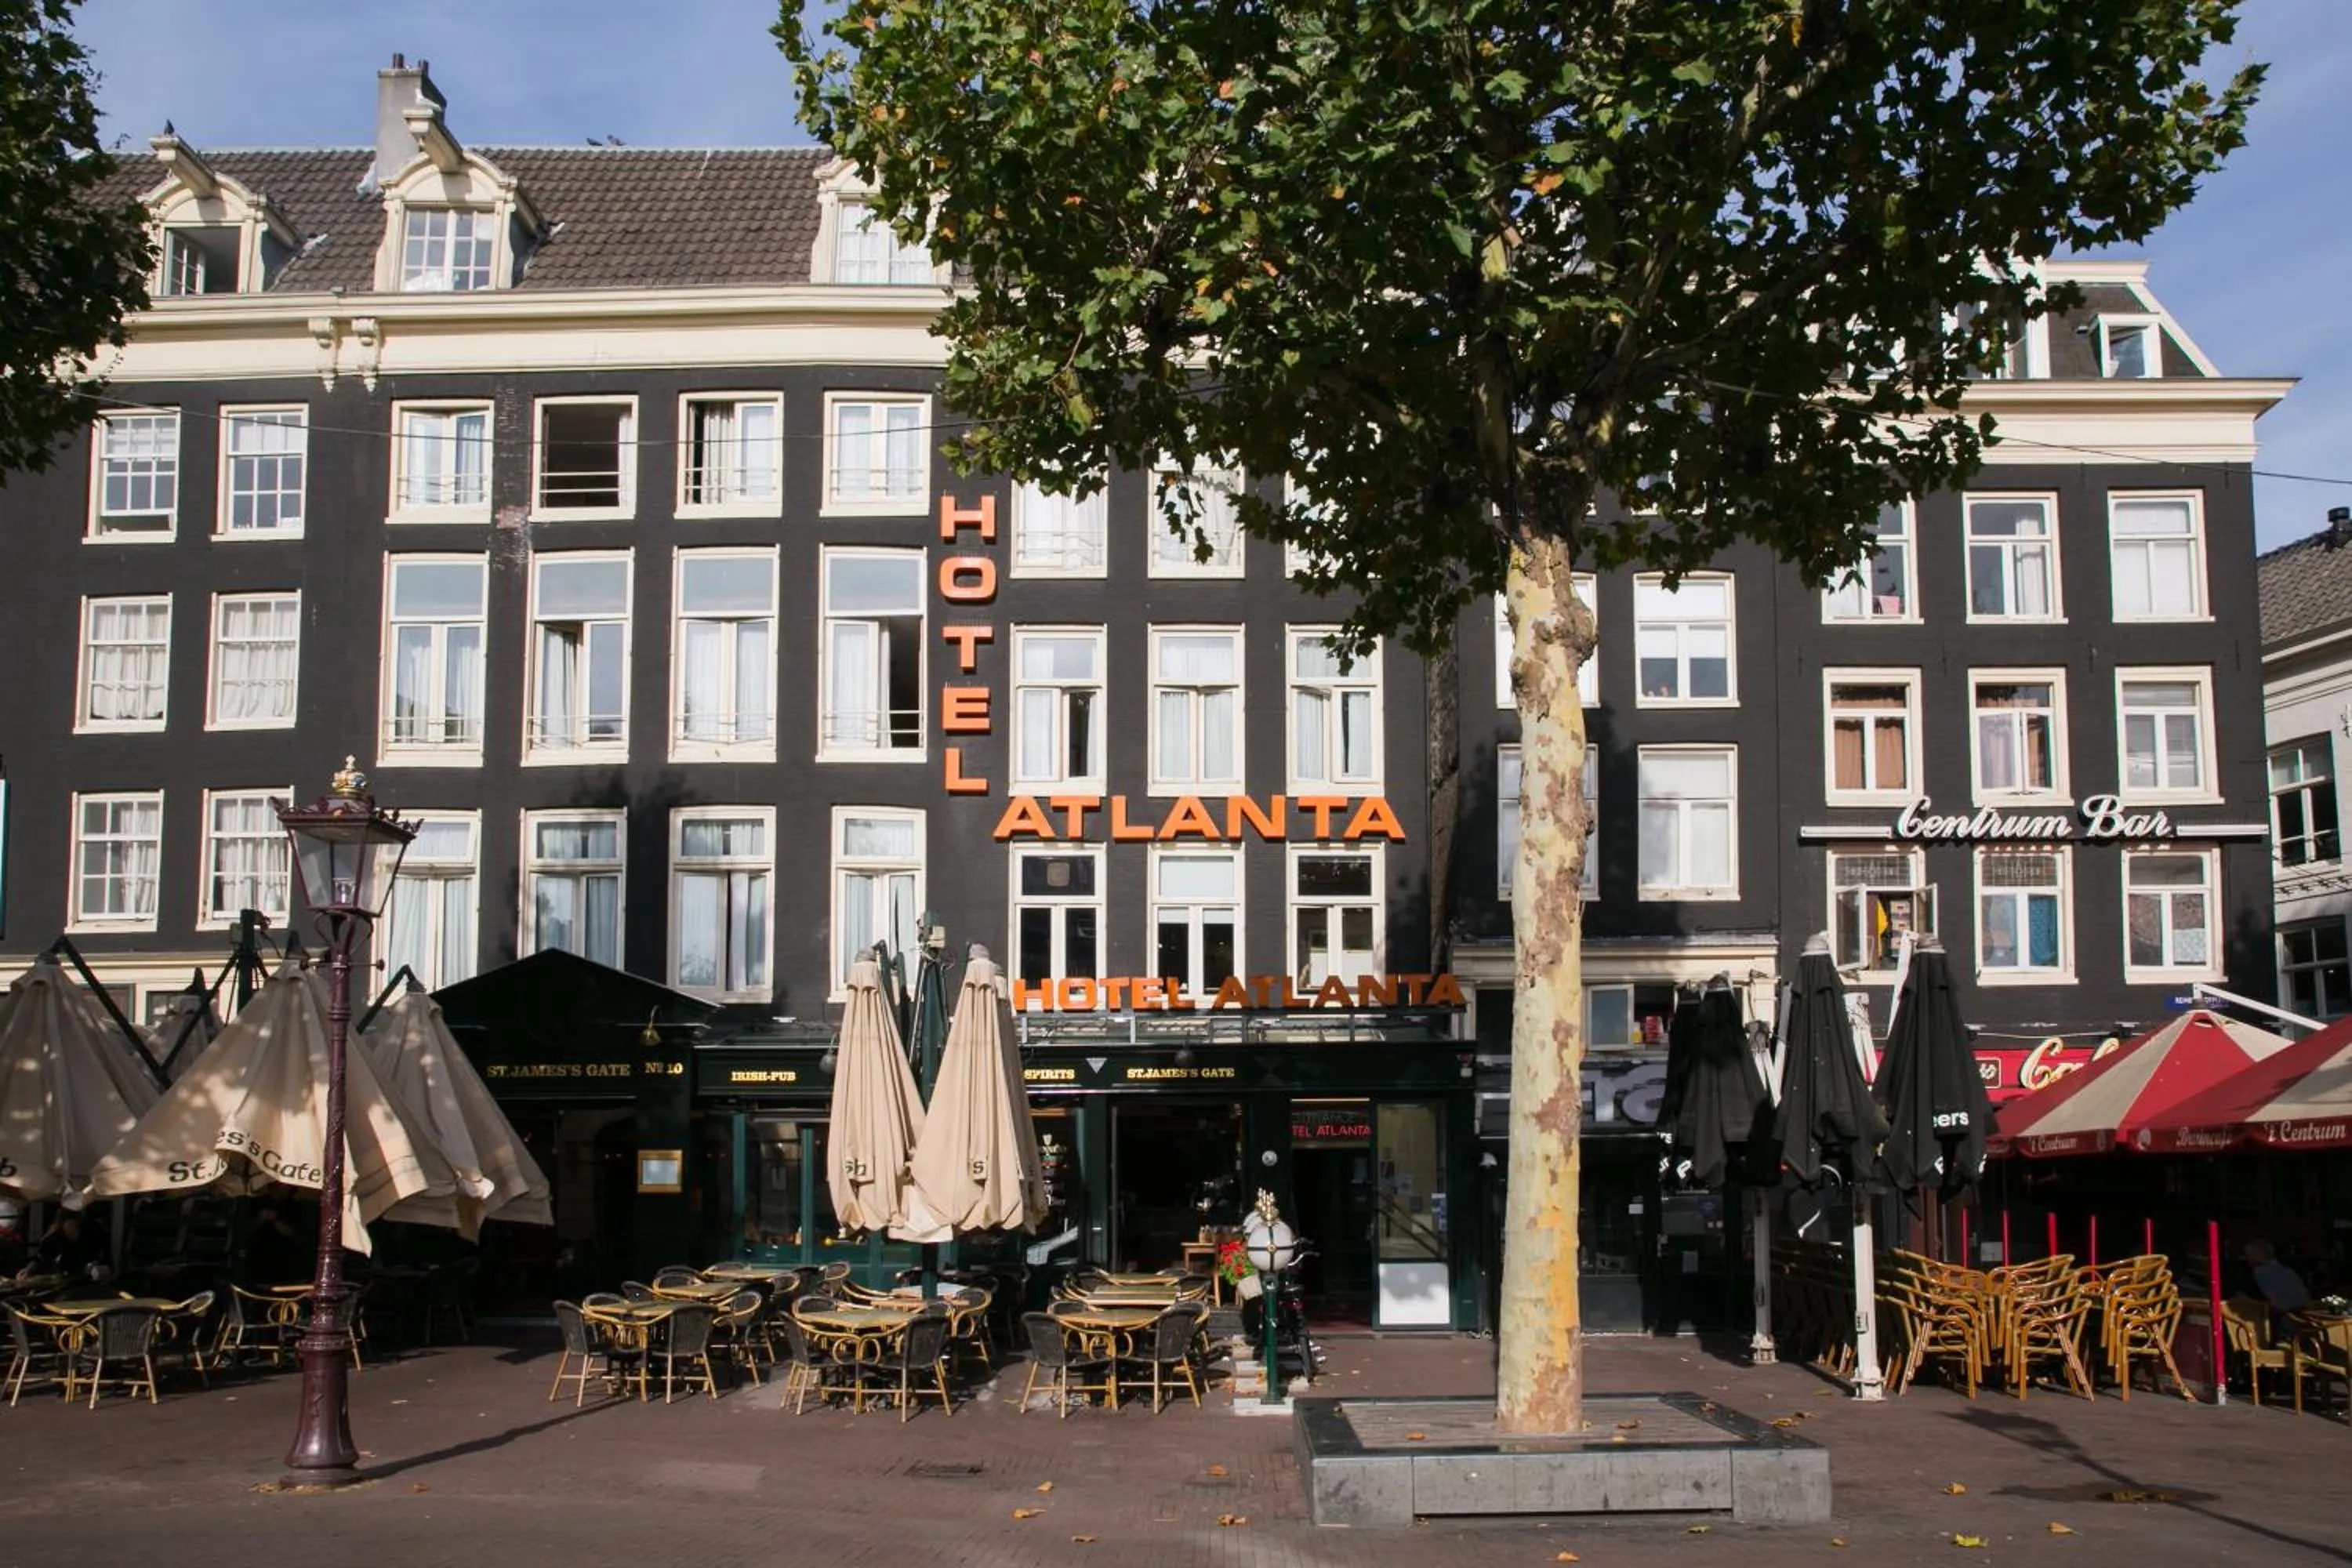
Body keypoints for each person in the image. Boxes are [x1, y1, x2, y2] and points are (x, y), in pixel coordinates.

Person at [24, 1210, 109, 1280]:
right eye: (71, 1224)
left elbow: (101, 1253)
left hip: (88, 1280)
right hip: (62, 1280)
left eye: (77, 1225)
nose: (74, 1228)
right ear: (62, 1224)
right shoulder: (55, 1238)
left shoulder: (91, 1231)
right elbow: (41, 1257)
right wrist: (28, 1270)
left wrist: (97, 1266)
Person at [2245, 1240, 2312, 1323]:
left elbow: (2274, 1302)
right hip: (2305, 1316)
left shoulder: (2261, 1271)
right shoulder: (2287, 1270)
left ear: (2257, 1255)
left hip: (2286, 1318)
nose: (2247, 1258)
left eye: (2248, 1254)